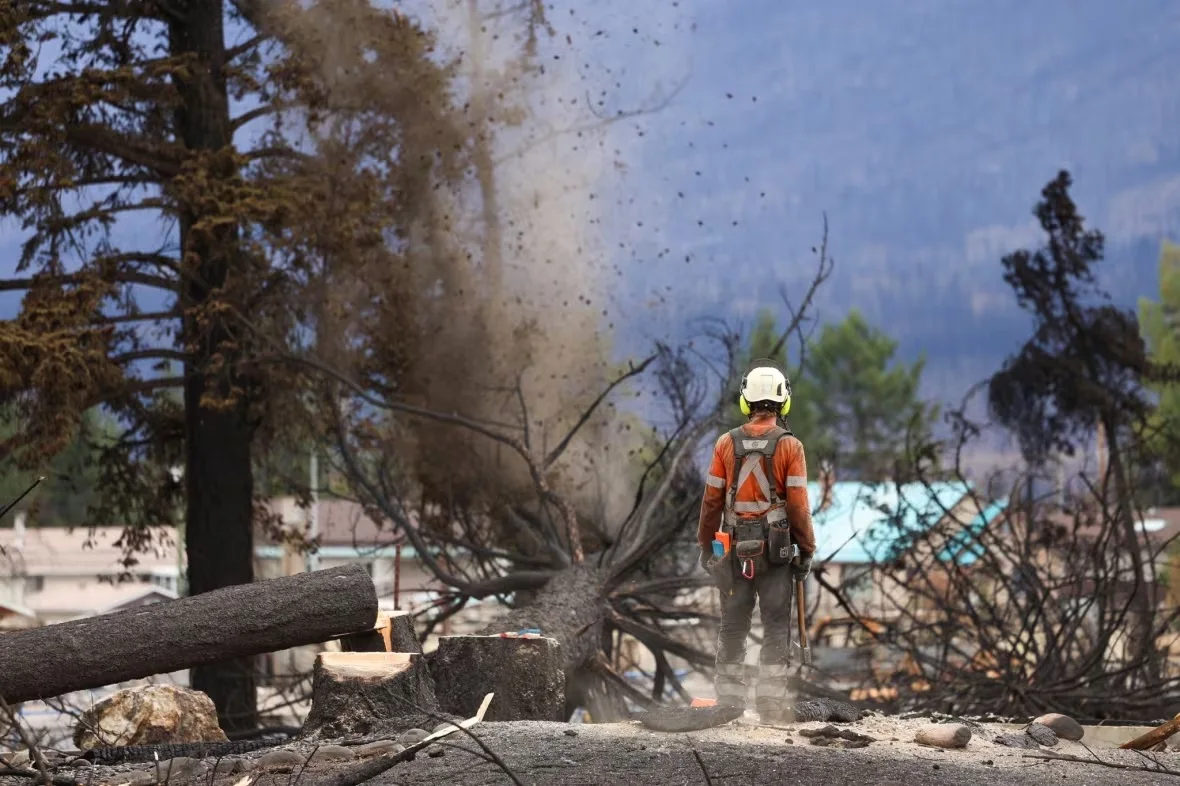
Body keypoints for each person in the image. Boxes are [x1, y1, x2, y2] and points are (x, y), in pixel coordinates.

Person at [696, 359, 816, 723]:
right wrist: (806, 549)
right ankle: (770, 703)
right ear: (784, 402)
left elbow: (712, 502)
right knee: (777, 625)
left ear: (747, 401)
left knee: (733, 625)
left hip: (731, 552)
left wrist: (706, 547)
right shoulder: (790, 447)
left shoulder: (724, 444)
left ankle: (729, 703)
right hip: (777, 554)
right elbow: (797, 507)